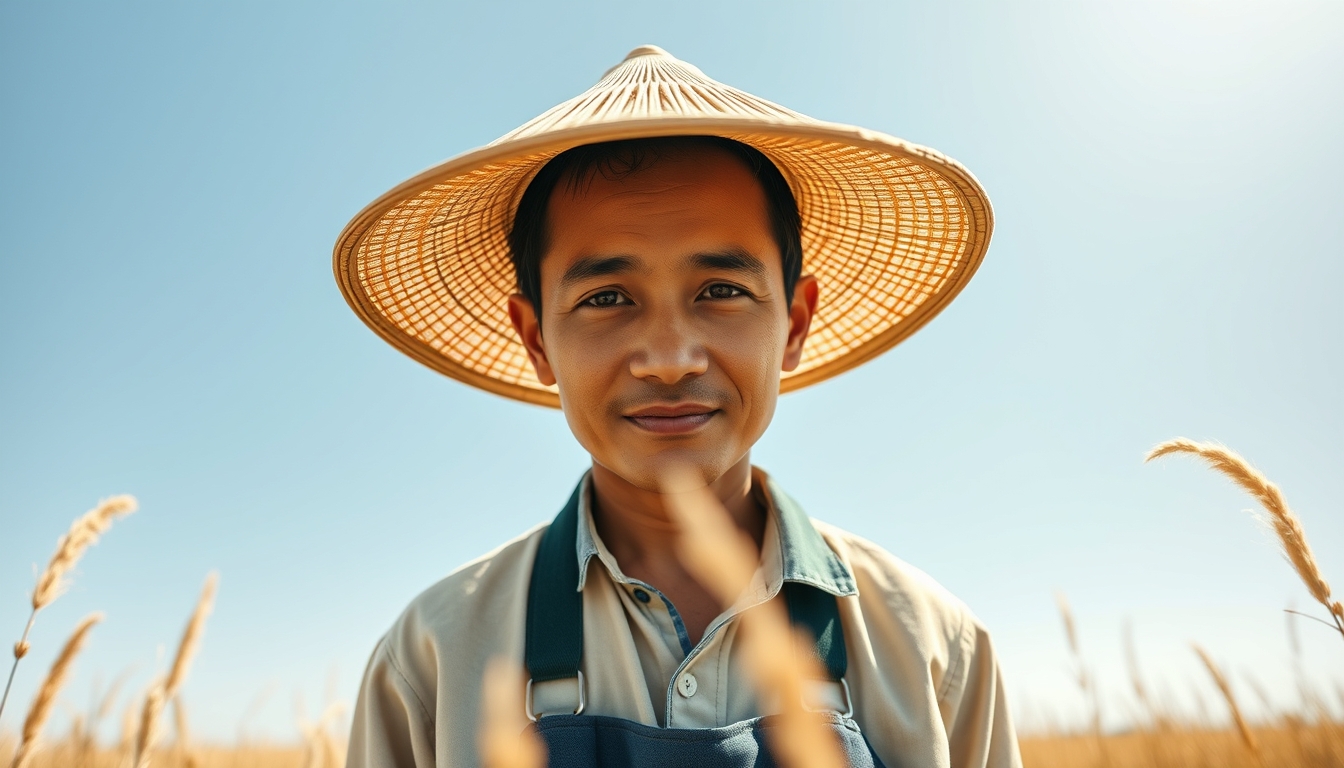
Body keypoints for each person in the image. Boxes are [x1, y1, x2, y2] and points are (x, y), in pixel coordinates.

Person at [335, 46, 1020, 768]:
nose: (669, 357)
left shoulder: (937, 651)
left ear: (795, 322)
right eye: (606, 298)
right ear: (537, 341)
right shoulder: (432, 661)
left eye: (720, 290)